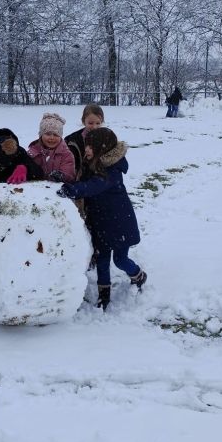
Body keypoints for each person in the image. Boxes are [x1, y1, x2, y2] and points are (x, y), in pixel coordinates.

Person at [58, 127, 146, 311]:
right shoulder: (91, 163)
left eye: (91, 146)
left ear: (102, 148)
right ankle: (104, 293)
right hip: (100, 222)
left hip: (119, 223)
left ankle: (138, 275)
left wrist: (72, 190)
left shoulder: (112, 171)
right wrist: (65, 180)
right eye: (87, 145)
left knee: (120, 260)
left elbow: (93, 186)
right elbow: (83, 181)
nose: (87, 149)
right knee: (102, 260)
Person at [27, 112, 76, 183]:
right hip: (37, 188)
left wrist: (62, 176)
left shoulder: (66, 155)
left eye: (56, 135)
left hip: (57, 188)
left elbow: (69, 173)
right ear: (41, 135)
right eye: (48, 134)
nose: (52, 138)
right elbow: (27, 167)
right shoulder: (33, 152)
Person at [64, 104, 105, 181]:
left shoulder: (107, 139)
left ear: (102, 122)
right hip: (77, 180)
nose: (94, 127)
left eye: (98, 123)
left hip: (98, 180)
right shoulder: (72, 140)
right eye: (90, 123)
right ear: (83, 121)